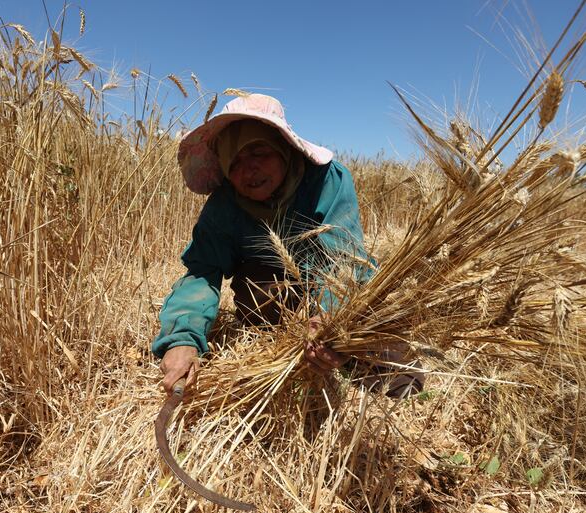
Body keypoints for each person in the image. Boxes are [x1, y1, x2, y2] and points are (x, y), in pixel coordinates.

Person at [152, 94, 424, 398]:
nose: (249, 169)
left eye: (259, 151)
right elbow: (203, 272)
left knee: (402, 382)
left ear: (283, 147)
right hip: (273, 299)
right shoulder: (224, 204)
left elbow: (344, 261)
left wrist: (328, 321)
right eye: (235, 160)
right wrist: (182, 340)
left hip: (336, 290)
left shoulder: (328, 180)